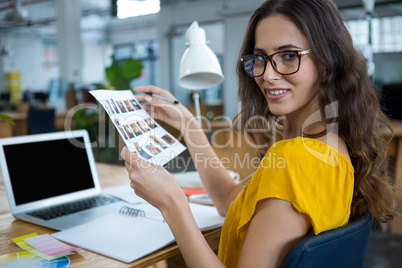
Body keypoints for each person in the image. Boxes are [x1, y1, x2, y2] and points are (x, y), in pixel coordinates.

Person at [120, 0, 396, 266]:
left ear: (327, 61)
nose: (268, 75)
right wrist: (189, 126)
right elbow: (227, 200)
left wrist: (171, 203)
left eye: (289, 56)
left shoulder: (296, 160)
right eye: (260, 58)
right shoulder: (327, 147)